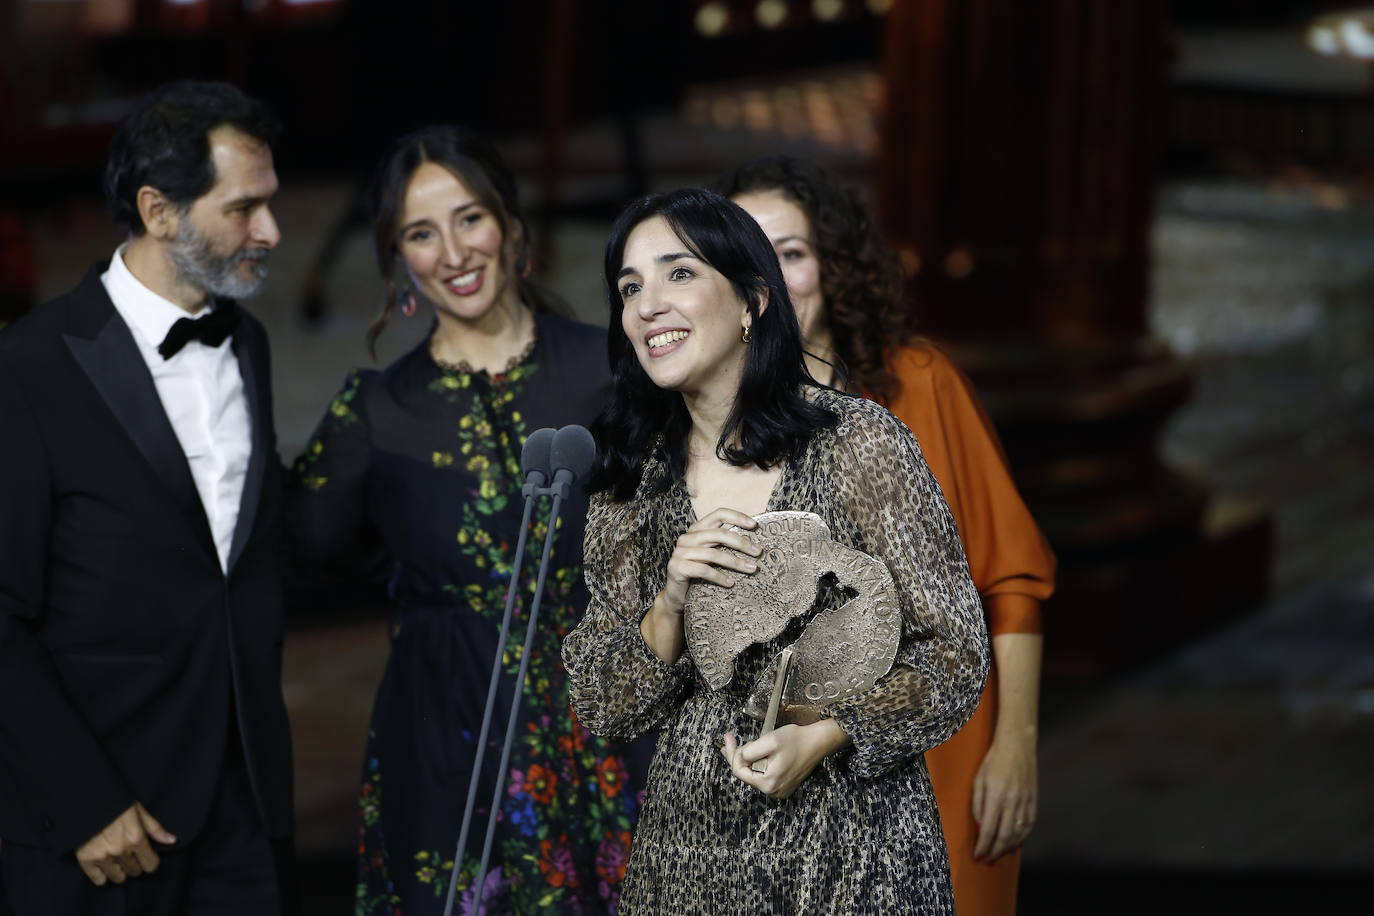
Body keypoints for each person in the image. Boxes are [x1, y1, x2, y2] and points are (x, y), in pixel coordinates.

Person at [562, 188, 989, 915]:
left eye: (680, 274)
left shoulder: (858, 443)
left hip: (858, 852)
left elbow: (955, 653)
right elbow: (603, 704)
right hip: (696, 856)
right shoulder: (633, 479)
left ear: (753, 301)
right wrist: (669, 604)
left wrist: (827, 736)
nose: (648, 305)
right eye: (630, 287)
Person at [288, 125, 641, 916]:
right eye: (421, 232)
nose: (452, 251)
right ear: (399, 261)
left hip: (604, 726)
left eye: (469, 218)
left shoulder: (609, 370)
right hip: (444, 732)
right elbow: (302, 552)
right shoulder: (376, 412)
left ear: (512, 228)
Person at [722, 155, 1056, 916]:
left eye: (794, 252)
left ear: (833, 266)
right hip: (784, 771)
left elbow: (1010, 583)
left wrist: (1017, 746)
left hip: (944, 751)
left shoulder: (922, 384)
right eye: (747, 256)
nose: (773, 276)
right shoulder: (704, 422)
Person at [0, 81, 296, 915]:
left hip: (243, 805)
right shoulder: (31, 366)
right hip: (99, 825)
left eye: (269, 204)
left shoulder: (249, 343)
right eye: (244, 209)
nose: (271, 231)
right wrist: (80, 802)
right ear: (160, 212)